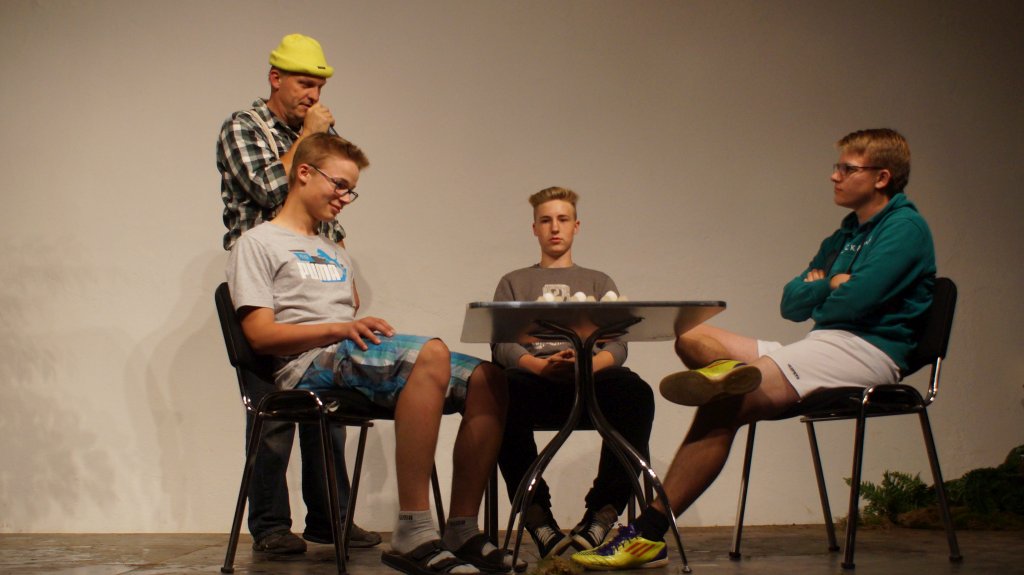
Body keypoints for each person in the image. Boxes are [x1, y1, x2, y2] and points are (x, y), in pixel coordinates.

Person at [572, 128, 936, 570]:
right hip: (821, 344)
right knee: (691, 337)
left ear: (881, 177)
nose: (834, 175)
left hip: (868, 352)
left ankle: (649, 533)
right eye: (837, 166)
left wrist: (827, 288)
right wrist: (830, 286)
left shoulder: (905, 228)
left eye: (847, 168)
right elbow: (790, 303)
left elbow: (856, 301)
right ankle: (730, 376)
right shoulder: (844, 235)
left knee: (726, 403)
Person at [227, 132, 521, 575]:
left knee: (488, 379)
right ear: (304, 173)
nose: (345, 198)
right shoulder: (257, 243)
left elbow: (347, 317)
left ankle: (461, 528)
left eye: (351, 190)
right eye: (339, 185)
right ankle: (414, 531)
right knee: (431, 354)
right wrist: (341, 328)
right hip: (301, 367)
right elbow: (260, 336)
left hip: (343, 355)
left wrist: (351, 329)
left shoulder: (334, 251)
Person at [216, 34, 379, 554]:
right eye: (305, 83)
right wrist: (309, 137)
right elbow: (272, 190)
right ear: (276, 78)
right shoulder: (244, 126)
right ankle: (269, 525)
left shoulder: (320, 134)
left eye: (320, 86)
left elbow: (329, 200)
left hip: (316, 269)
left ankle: (330, 518)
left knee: (328, 397)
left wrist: (343, 265)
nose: (313, 95)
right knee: (272, 409)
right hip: (265, 273)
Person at [492, 187, 655, 558]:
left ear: (576, 226)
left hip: (592, 382)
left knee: (635, 393)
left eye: (562, 219)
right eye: (546, 220)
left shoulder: (599, 282)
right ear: (534, 228)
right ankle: (536, 516)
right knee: (499, 391)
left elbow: (618, 345)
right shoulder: (513, 282)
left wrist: (586, 366)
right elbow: (502, 344)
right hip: (536, 381)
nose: (555, 228)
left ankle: (602, 514)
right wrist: (541, 366)